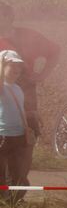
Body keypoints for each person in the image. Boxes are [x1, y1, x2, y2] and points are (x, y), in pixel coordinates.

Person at [0, 2, 60, 180]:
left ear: (10, 17)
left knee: (24, 149)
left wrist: (42, 75)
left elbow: (55, 51)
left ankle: (16, 194)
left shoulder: (28, 36)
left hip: (26, 101)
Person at [0, 50, 31, 199]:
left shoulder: (18, 89)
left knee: (16, 173)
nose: (17, 70)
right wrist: (1, 61)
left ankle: (13, 202)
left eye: (19, 67)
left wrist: (26, 129)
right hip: (2, 136)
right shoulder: (2, 87)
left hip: (18, 137)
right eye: (12, 66)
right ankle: (3, 203)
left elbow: (21, 111)